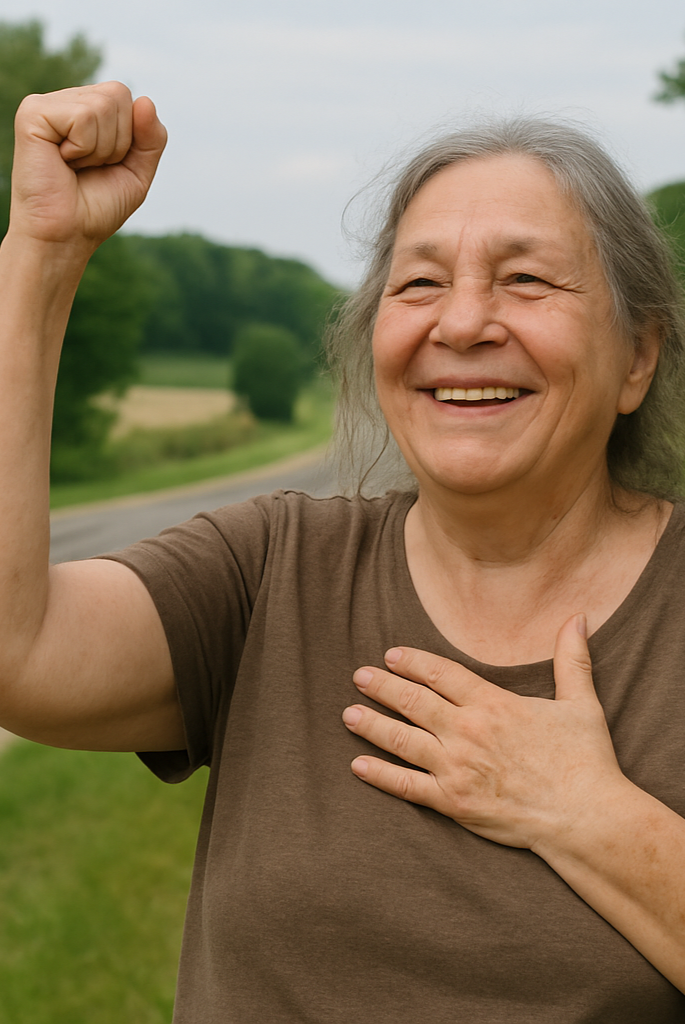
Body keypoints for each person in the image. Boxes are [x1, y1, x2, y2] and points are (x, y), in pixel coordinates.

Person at [1, 81, 685, 1024]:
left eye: (526, 279)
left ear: (638, 356)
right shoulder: (271, 570)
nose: (460, 323)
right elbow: (16, 651)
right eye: (418, 283)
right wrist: (41, 255)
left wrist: (588, 814)